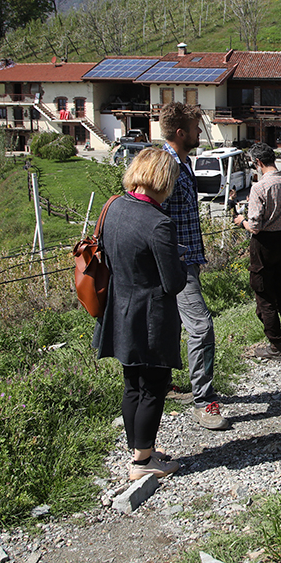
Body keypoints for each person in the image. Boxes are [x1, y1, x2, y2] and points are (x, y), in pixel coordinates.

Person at [92, 148, 188, 480]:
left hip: (119, 309)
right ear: (165, 180)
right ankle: (144, 462)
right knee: (154, 387)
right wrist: (180, 260)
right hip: (150, 317)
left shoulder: (114, 207)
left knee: (131, 384)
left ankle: (138, 449)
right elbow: (173, 282)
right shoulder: (159, 223)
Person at [160, 102, 230, 431]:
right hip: (174, 263)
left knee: (171, 325)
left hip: (187, 261)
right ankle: (204, 401)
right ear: (180, 132)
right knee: (200, 327)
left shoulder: (183, 164)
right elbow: (150, 215)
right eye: (195, 127)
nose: (199, 131)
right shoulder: (165, 166)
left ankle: (161, 386)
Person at [234, 142, 281, 361]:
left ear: (258, 162)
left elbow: (254, 225)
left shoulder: (259, 187)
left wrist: (240, 221)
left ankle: (275, 346)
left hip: (263, 244)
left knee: (264, 296)